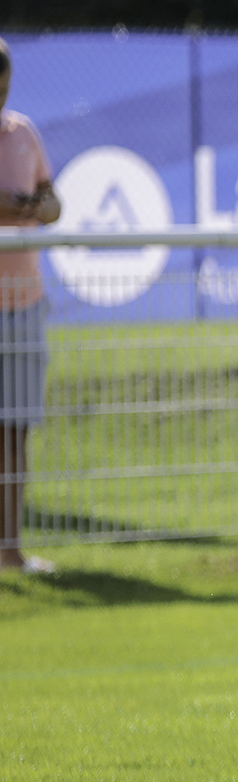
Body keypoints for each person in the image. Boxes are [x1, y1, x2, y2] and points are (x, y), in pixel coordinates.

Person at [0, 38, 62, 572]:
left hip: (24, 301)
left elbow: (52, 200)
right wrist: (19, 207)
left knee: (15, 430)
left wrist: (37, 206)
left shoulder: (23, 132)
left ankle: (10, 551)